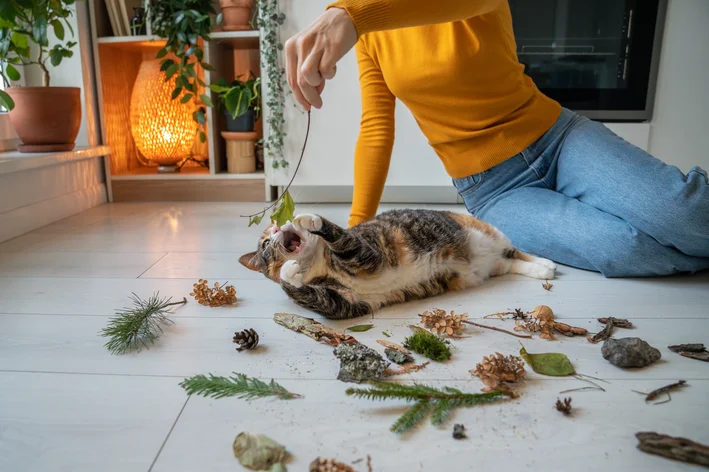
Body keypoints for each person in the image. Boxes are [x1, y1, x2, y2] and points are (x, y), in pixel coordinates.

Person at [284, 0, 709, 277]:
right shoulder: (366, 28)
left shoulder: (359, 17)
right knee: (625, 250)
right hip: (494, 191)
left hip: (558, 139)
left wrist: (353, 16)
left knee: (682, 212)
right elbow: (377, 126)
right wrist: (357, 232)